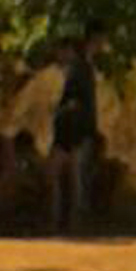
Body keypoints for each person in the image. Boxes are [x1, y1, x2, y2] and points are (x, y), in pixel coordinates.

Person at [49, 20, 108, 232]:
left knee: (72, 175)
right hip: (69, 128)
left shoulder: (80, 69)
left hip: (74, 129)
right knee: (67, 175)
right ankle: (62, 220)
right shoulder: (76, 69)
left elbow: (79, 103)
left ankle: (69, 221)